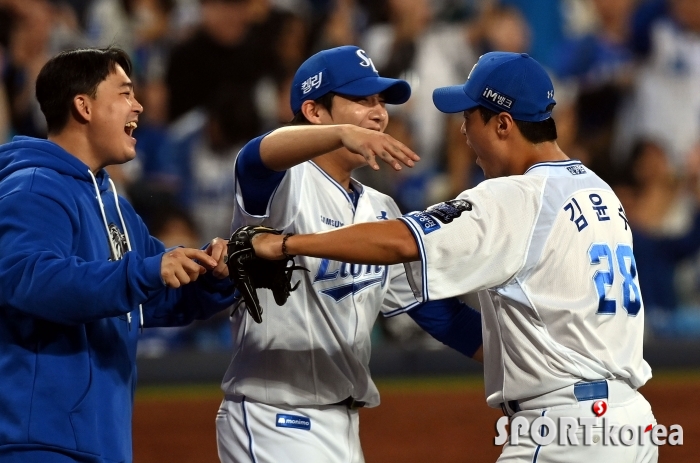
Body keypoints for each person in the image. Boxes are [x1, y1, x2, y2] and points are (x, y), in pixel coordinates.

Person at [250, 52, 658, 463]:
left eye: (469, 117)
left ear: (503, 124)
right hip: (631, 423)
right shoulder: (598, 189)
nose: (462, 132)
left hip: (566, 432)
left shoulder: (516, 197)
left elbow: (400, 243)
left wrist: (288, 244)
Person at [216, 45, 483, 463]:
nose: (379, 113)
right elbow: (254, 159)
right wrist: (341, 134)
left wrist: (527, 355)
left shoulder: (381, 209)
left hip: (343, 425)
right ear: (314, 111)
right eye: (361, 100)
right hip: (275, 419)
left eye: (380, 101)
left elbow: (437, 315)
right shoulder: (285, 186)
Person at [0, 46, 237, 463]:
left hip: (99, 443)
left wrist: (217, 275)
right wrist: (145, 272)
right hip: (39, 442)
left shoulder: (114, 203)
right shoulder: (34, 186)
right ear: (83, 106)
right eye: (125, 93)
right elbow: (31, 279)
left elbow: (155, 294)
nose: (139, 105)